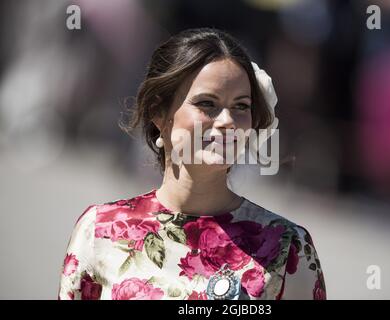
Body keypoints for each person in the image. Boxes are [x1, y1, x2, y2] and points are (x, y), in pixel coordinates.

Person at [58, 27, 326, 300]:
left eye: (241, 106)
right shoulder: (100, 231)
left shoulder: (287, 247)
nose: (227, 121)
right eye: (207, 103)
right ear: (159, 113)